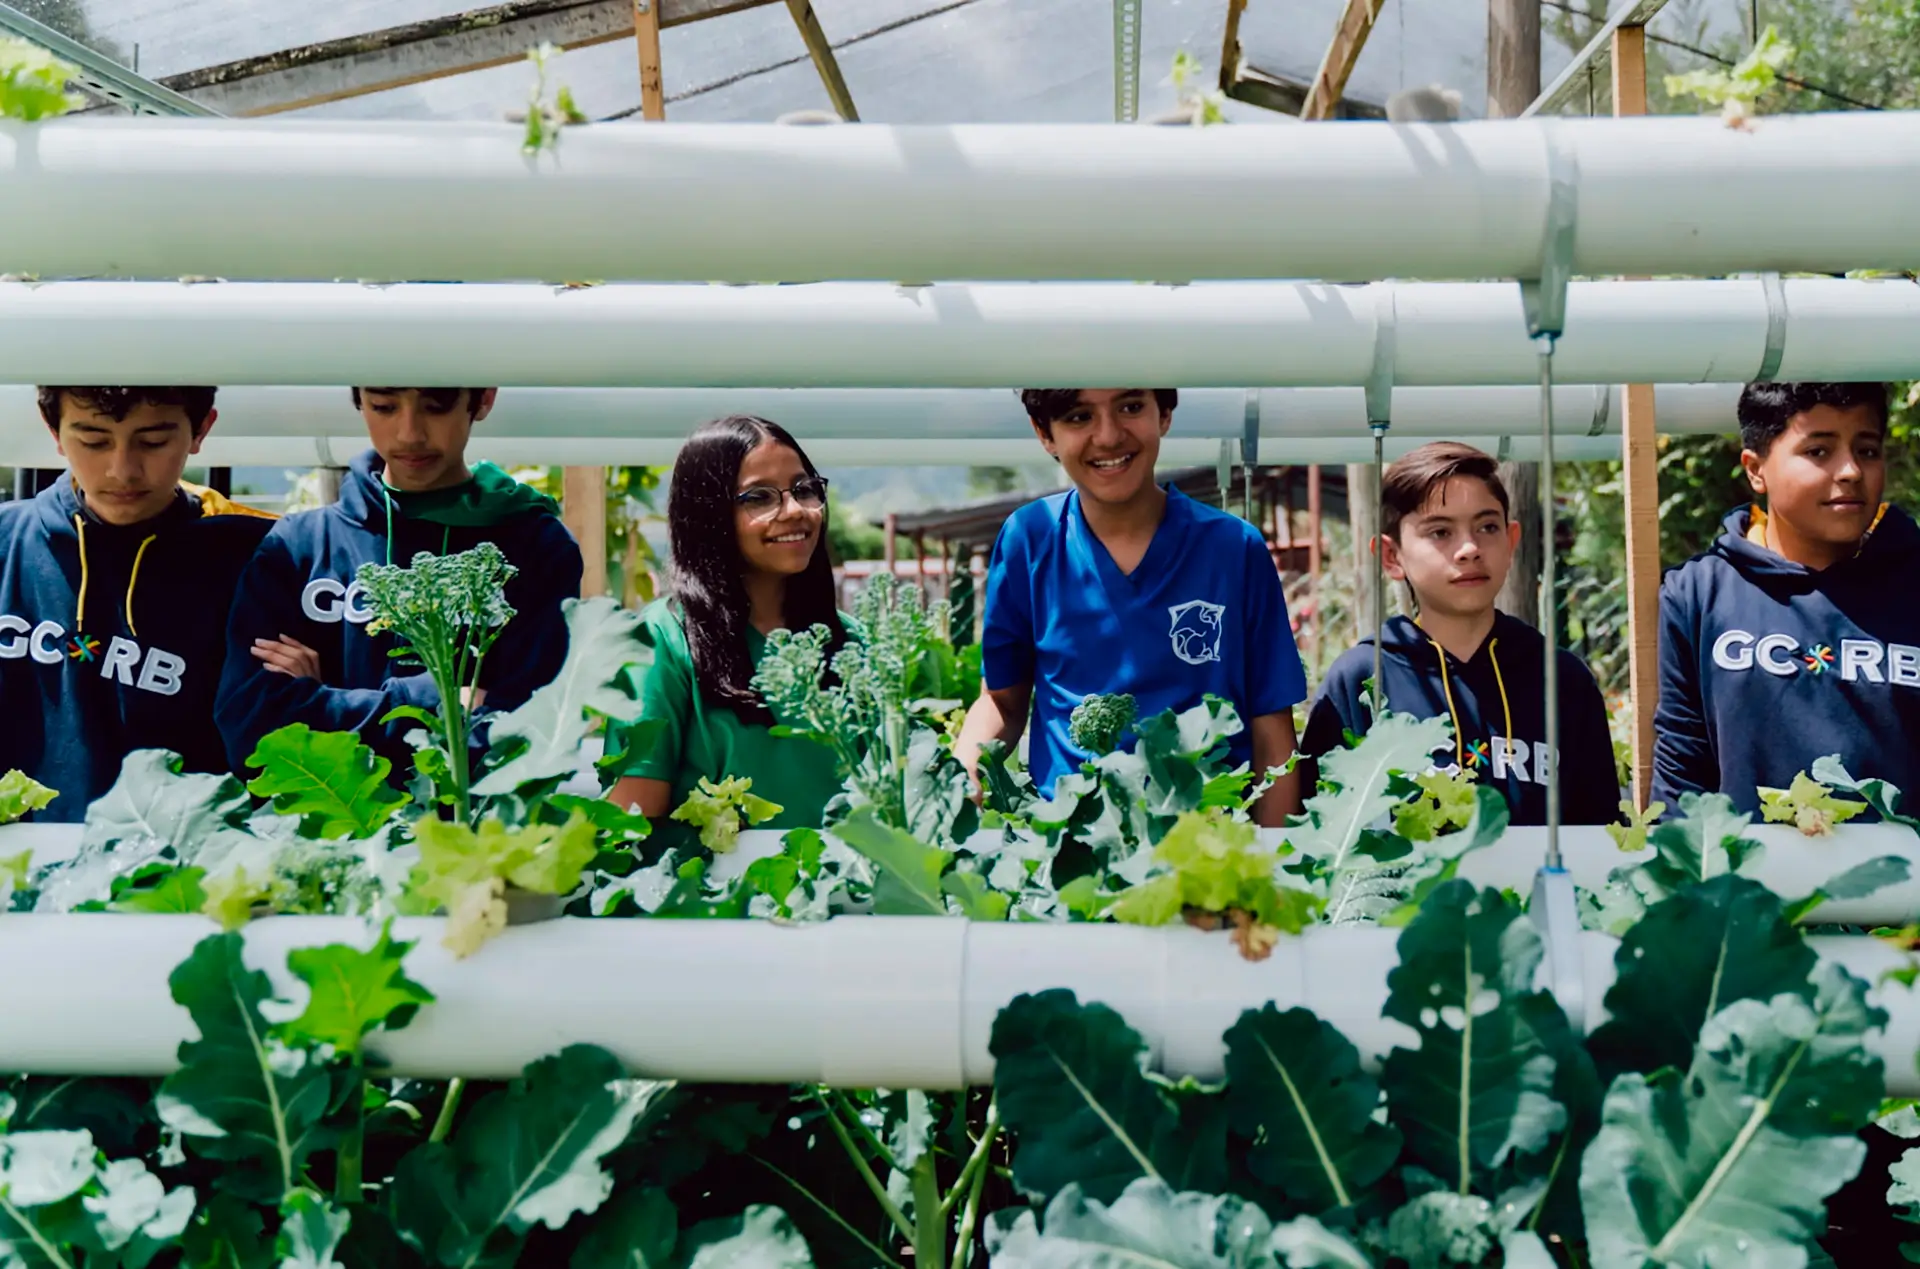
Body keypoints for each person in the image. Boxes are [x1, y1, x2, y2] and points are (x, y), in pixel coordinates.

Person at [956, 388, 1307, 825]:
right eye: (1079, 416)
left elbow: (1270, 727)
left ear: (1165, 412)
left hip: (1207, 848)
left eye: (1130, 407)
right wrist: (964, 771)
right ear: (1044, 433)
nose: (1108, 436)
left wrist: (1273, 862)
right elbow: (1002, 702)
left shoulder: (1233, 548)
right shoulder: (1030, 538)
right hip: (1068, 851)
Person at [215, 387, 582, 772]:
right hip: (325, 829)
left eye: (436, 405)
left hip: (470, 831)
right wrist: (432, 701)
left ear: (484, 399)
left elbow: (528, 743)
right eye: (384, 407)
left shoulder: (535, 549)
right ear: (359, 402)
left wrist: (322, 700)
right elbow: (252, 734)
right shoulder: (297, 547)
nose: (409, 433)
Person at [1301, 442, 1618, 826]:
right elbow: (1320, 838)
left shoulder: (1563, 681)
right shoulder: (1360, 681)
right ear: (1391, 556)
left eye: (1487, 527)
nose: (1469, 548)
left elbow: (1600, 835)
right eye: (1440, 532)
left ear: (1511, 540)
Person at [0, 387, 274, 821]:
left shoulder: (262, 561)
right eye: (93, 441)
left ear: (201, 429)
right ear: (52, 429)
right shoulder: (6, 544)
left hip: (181, 873)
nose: (122, 470)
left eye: (153, 441)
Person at [1653, 381, 1919, 813]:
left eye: (1867, 450)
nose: (1850, 470)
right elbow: (1682, 774)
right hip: (1748, 878)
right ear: (1755, 470)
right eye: (1819, 451)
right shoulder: (1697, 595)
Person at [602, 415, 851, 829]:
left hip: (851, 892)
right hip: (708, 894)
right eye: (759, 498)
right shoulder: (660, 640)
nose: (794, 510)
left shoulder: (852, 643)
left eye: (804, 489)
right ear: (707, 513)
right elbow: (632, 827)